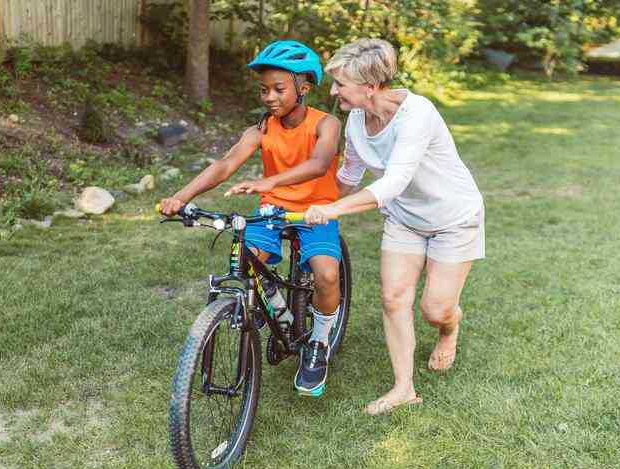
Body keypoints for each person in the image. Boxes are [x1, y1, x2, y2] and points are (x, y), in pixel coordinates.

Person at [304, 38, 485, 415]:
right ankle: (404, 387)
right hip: (405, 218)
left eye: (340, 84)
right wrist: (314, 208)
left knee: (436, 309)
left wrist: (335, 209)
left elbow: (393, 183)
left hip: (454, 217)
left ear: (370, 86)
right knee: (393, 298)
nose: (333, 90)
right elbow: (350, 174)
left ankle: (450, 328)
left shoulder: (417, 114)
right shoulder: (355, 120)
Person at [159, 40, 343, 397]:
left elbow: (319, 164)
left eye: (279, 89)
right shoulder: (261, 128)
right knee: (247, 264)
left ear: (303, 88)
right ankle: (263, 309)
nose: (270, 97)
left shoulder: (327, 124)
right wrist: (181, 197)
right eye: (263, 90)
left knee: (326, 273)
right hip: (272, 210)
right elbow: (226, 164)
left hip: (316, 210)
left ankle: (318, 343)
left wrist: (269, 180)